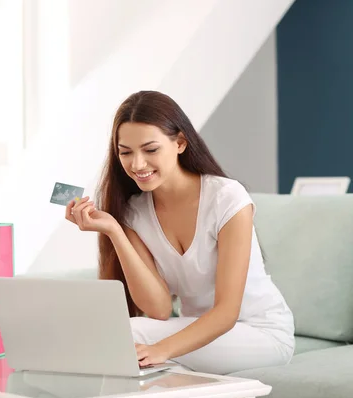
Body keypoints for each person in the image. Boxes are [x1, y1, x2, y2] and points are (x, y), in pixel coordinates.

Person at [65, 91, 294, 375]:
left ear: (180, 143)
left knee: (131, 339)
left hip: (261, 333)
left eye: (150, 150)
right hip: (195, 334)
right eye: (126, 152)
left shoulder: (227, 198)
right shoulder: (135, 213)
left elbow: (226, 313)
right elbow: (159, 309)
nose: (137, 164)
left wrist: (162, 350)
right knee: (122, 335)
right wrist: (115, 230)